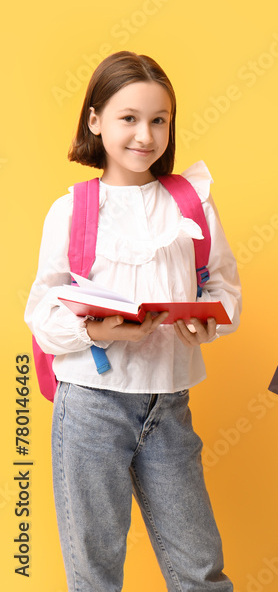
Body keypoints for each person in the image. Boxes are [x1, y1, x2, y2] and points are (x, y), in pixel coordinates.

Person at [24, 51, 242, 590]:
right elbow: (42, 312)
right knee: (95, 573)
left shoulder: (192, 204)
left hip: (170, 403)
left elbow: (224, 288)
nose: (145, 134)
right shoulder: (73, 210)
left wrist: (209, 322)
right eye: (128, 118)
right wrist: (100, 329)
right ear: (95, 121)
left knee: (200, 569)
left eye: (159, 120)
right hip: (91, 404)